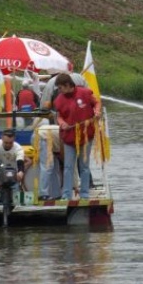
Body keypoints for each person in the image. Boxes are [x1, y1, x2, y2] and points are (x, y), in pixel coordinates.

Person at [53, 72, 101, 200]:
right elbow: (59, 116)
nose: (60, 90)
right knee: (68, 166)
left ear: (68, 85)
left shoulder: (85, 93)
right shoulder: (59, 100)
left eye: (61, 87)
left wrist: (97, 112)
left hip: (86, 136)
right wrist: (62, 123)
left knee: (84, 166)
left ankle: (84, 194)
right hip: (69, 138)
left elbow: (96, 103)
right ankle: (66, 194)